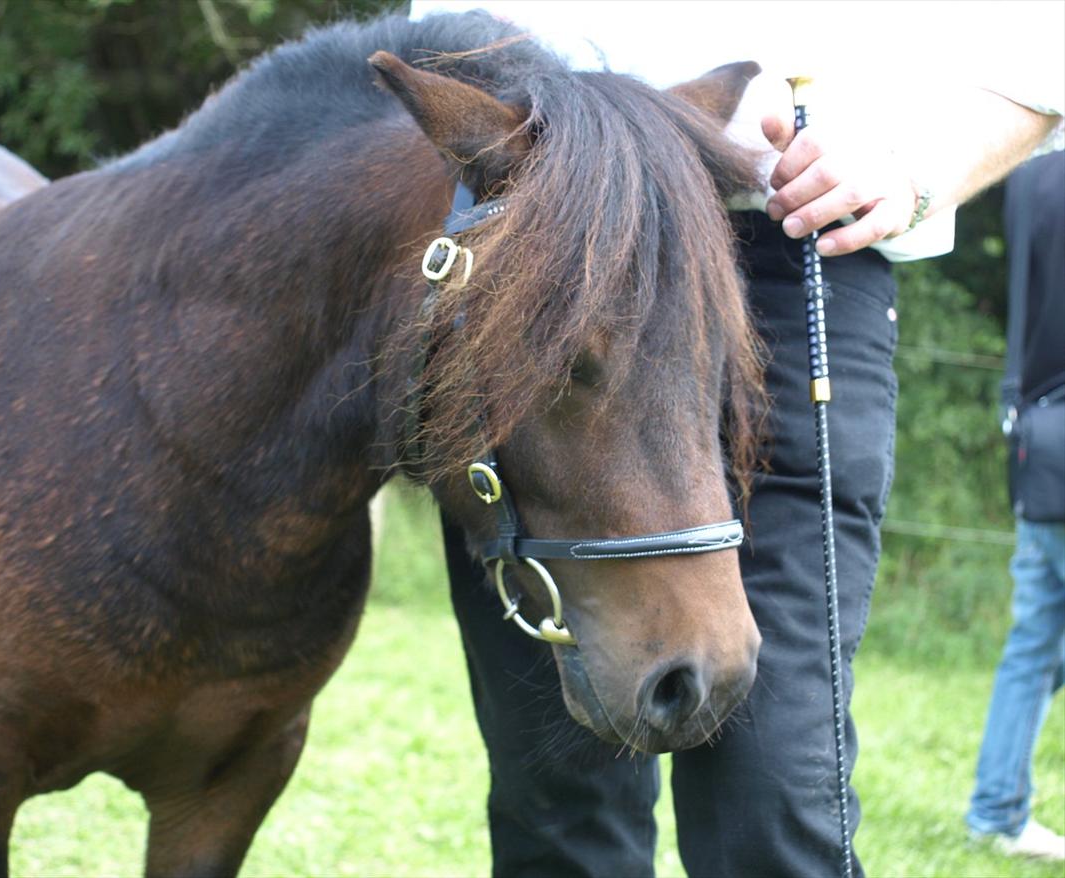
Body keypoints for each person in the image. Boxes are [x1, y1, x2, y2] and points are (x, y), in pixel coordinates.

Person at [409, 2, 1065, 875]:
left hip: (795, 244)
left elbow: (1039, 51)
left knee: (773, 800)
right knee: (559, 809)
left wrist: (912, 173)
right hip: (545, 242)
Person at [965, 149, 1065, 862]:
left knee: (1033, 643)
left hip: (1039, 434)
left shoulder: (1030, 180)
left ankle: (996, 811)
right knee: (1034, 643)